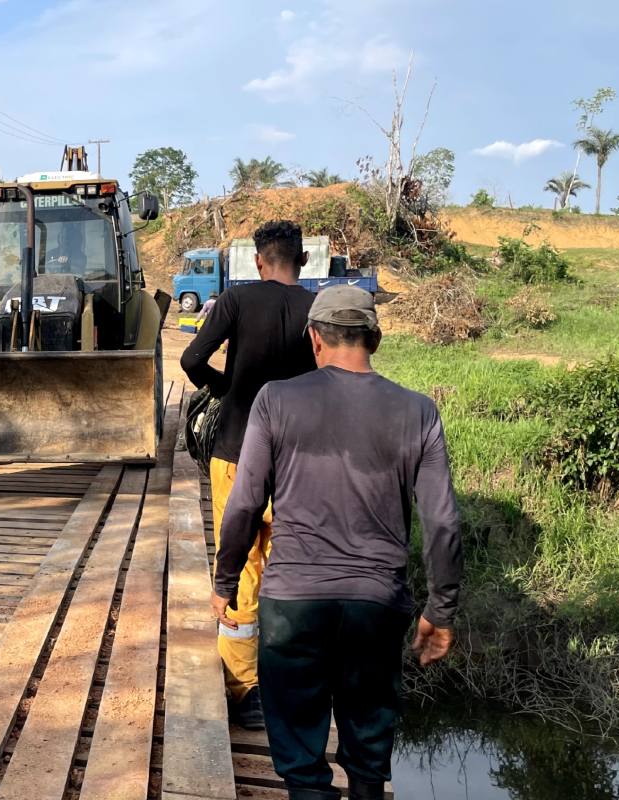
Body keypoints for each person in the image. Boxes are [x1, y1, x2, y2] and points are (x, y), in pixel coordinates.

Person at [210, 285, 463, 800]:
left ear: (314, 338)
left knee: (302, 764)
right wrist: (441, 609)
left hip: (293, 604)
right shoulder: (418, 412)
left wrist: (226, 581)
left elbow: (244, 503)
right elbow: (442, 522)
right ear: (376, 339)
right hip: (376, 604)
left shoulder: (275, 400)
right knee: (369, 757)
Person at [180, 220, 316, 729]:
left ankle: (245, 689)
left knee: (240, 561)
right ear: (303, 261)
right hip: (296, 460)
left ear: (259, 262)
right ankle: (286, 676)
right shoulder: (315, 309)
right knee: (288, 564)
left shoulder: (236, 300)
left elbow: (191, 358)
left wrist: (226, 388)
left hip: (236, 450)